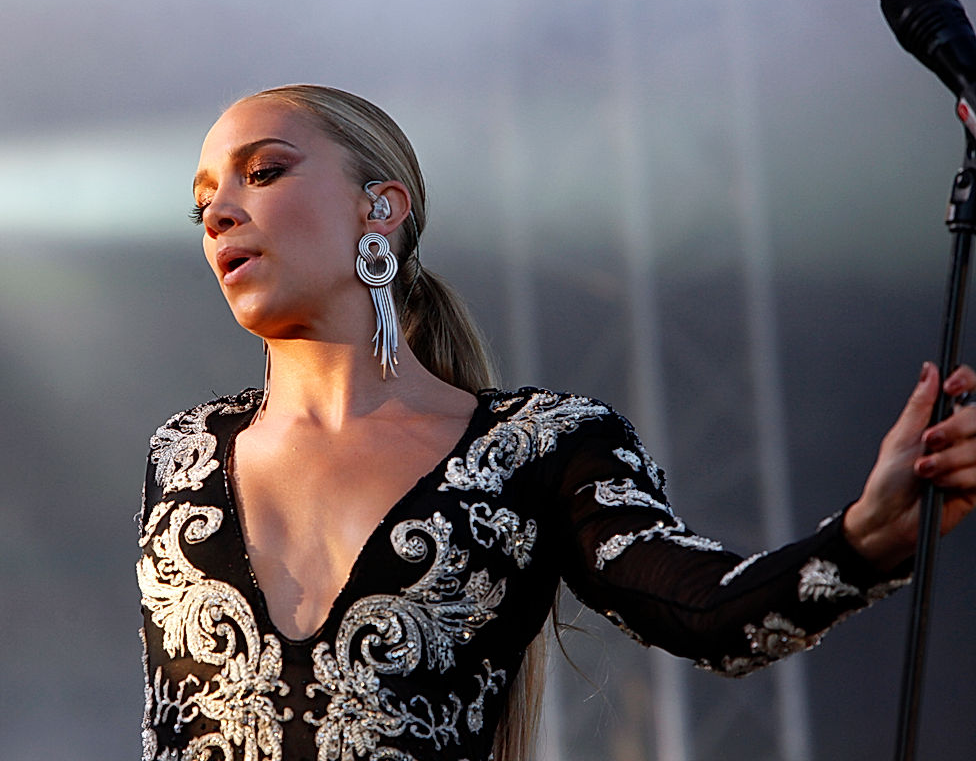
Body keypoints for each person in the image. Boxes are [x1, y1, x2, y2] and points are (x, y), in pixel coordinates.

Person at [135, 84, 976, 761]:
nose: (219, 213)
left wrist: (866, 539)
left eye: (265, 172)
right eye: (202, 200)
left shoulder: (540, 447)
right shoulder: (185, 454)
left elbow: (707, 614)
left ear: (379, 209)